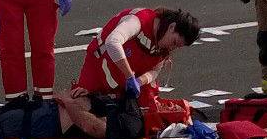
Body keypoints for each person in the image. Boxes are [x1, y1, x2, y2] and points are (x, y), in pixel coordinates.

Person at [71, 7, 201, 99]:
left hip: (126, 82)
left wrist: (139, 81)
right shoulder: (139, 20)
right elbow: (113, 42)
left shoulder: (163, 43)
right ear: (171, 27)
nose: (172, 48)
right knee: (82, 104)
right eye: (174, 42)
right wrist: (129, 76)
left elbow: (155, 71)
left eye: (177, 47)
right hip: (99, 68)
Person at [0, 90, 139, 139]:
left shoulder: (133, 122)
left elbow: (94, 128)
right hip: (44, 112)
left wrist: (67, 101)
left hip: (46, 123)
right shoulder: (125, 100)